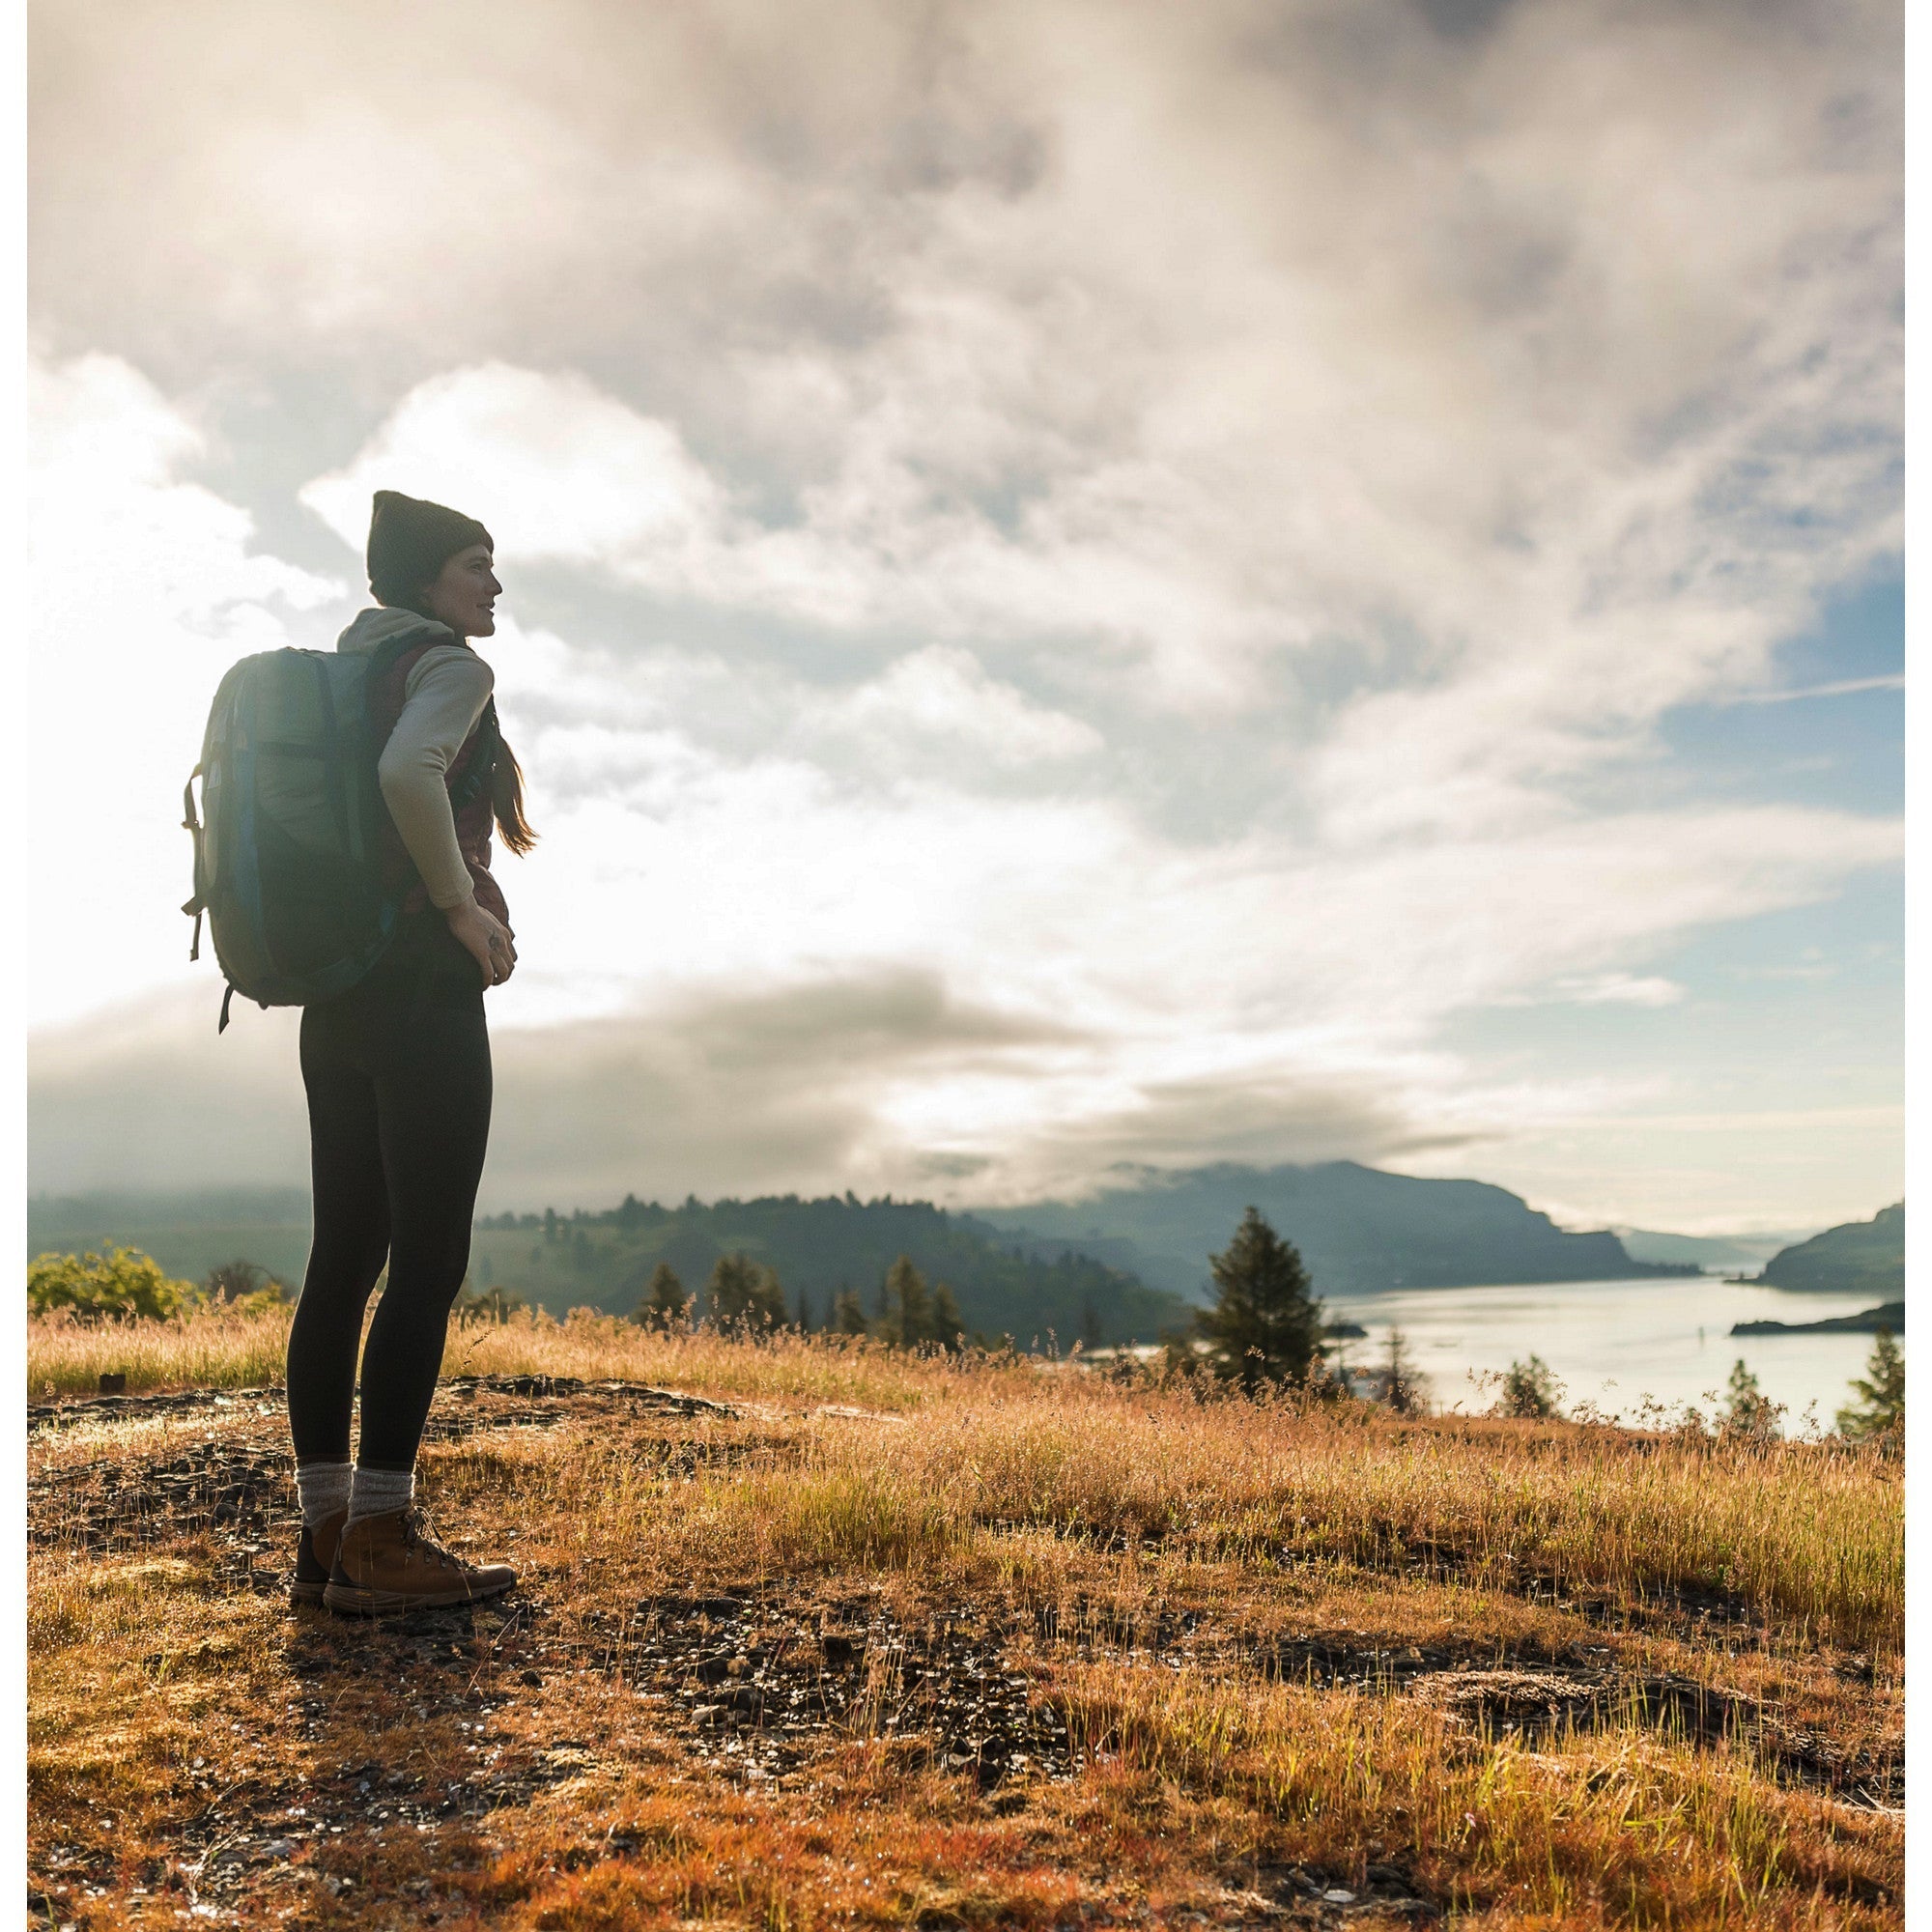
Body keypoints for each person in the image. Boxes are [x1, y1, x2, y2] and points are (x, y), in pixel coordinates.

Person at [284, 490, 536, 1615]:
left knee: (342, 1256)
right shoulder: (450, 669)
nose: (491, 585)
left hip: (331, 993)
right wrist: (460, 910)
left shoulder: (343, 669)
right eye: (476, 564)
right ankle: (383, 1536)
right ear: (427, 578)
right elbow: (407, 776)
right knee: (426, 1260)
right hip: (420, 990)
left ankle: (328, 1528)